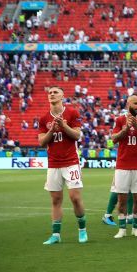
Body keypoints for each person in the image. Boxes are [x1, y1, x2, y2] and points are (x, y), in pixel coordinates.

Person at [37, 86, 88, 245]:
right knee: (56, 200)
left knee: (75, 198)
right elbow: (42, 142)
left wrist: (64, 126)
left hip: (71, 162)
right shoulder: (44, 118)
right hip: (53, 164)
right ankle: (56, 235)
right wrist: (52, 129)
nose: (51, 94)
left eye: (55, 92)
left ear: (62, 96)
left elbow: (77, 135)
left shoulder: (72, 113)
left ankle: (82, 230)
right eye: (50, 93)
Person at [111, 95, 137, 238]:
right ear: (128, 104)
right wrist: (125, 129)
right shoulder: (119, 120)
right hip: (122, 165)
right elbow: (114, 139)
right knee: (121, 199)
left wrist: (136, 126)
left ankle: (136, 227)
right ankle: (122, 228)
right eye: (136, 103)